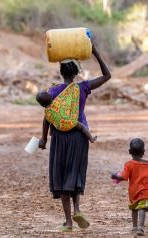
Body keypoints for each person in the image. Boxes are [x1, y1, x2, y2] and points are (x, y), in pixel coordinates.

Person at [39, 44, 111, 232]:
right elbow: (107, 76)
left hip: (60, 138)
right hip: (79, 136)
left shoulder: (53, 91)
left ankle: (69, 223)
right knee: (75, 173)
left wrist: (44, 139)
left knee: (62, 176)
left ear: (61, 71)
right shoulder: (83, 87)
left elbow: (47, 116)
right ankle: (77, 208)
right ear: (77, 72)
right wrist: (96, 52)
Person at [111, 138, 148, 236]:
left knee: (134, 209)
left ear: (129, 152)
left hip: (133, 192)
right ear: (143, 152)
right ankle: (141, 228)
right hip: (144, 192)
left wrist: (115, 176)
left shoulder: (128, 165)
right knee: (142, 209)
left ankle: (135, 227)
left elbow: (124, 177)